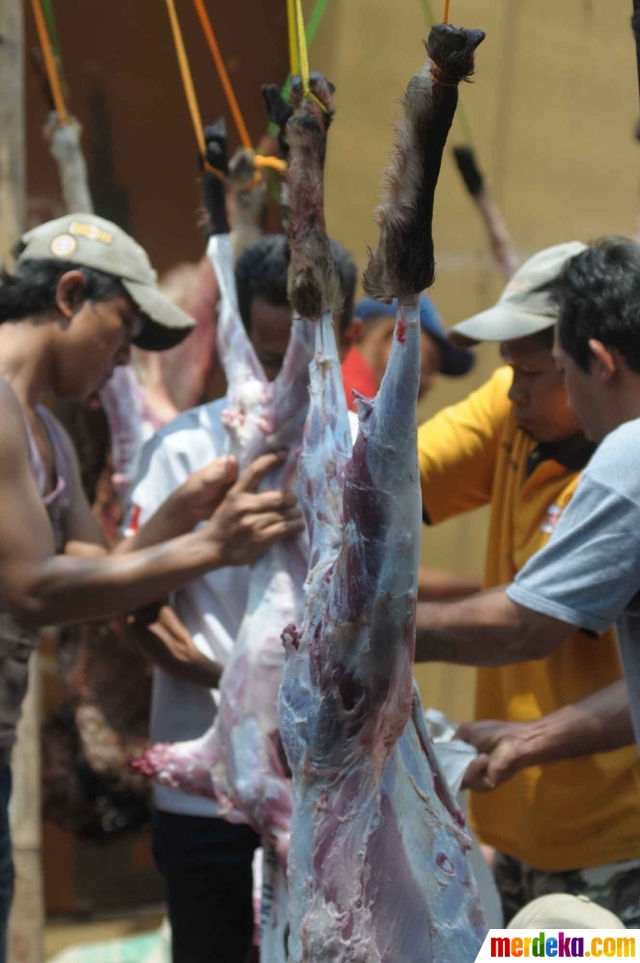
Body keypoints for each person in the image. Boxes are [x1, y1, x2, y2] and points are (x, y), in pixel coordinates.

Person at [0, 214, 305, 963]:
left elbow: (99, 580)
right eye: (122, 328)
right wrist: (212, 545)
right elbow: (34, 590)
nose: (122, 361)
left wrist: (178, 512)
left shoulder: (51, 435)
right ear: (71, 294)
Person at [126, 233, 358, 963]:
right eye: (262, 358)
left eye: (298, 355)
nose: (281, 381)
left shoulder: (362, 452)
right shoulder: (184, 451)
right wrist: (233, 693)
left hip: (328, 794)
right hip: (204, 808)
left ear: (341, 335)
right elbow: (133, 605)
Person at [414, 241, 640, 927]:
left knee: (569, 950)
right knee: (518, 952)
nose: (518, 396)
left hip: (615, 844)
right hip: (520, 825)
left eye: (557, 372)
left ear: (596, 362)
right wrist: (534, 737)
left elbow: (526, 624)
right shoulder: (528, 415)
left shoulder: (628, 457)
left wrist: (372, 633)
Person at [341, 293, 475, 409]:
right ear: (391, 335)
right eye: (430, 359)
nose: (430, 383)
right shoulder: (350, 401)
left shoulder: (330, 376)